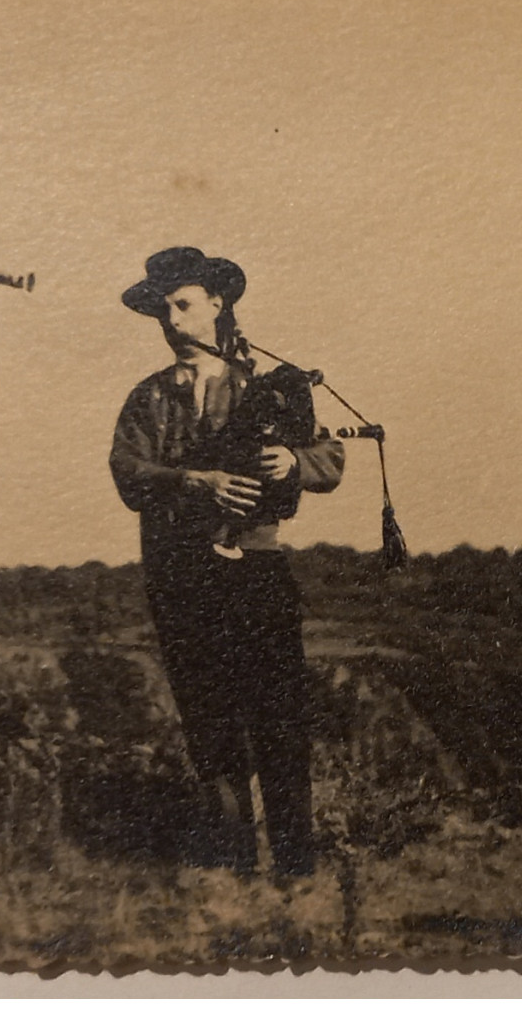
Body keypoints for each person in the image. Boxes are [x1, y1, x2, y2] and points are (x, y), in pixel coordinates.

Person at [109, 246, 344, 878]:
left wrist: (293, 463)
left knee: (279, 717)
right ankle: (234, 864)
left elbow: (330, 459)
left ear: (218, 304)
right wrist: (194, 482)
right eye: (162, 309)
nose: (171, 318)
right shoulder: (150, 398)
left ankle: (296, 869)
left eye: (182, 304)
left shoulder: (270, 388)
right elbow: (129, 474)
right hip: (181, 577)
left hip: (257, 572)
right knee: (209, 720)